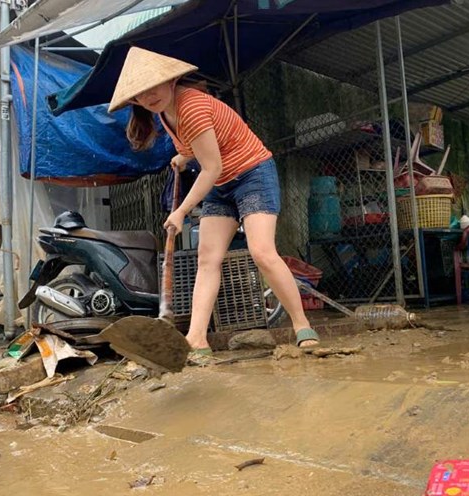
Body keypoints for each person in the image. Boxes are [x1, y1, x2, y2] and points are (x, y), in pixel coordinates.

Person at [109, 47, 320, 357]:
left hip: (252, 174)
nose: (149, 95)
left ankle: (302, 324)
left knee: (261, 252)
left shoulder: (190, 105)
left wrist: (180, 212)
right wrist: (183, 155)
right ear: (135, 100)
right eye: (140, 93)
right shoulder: (164, 112)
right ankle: (196, 338)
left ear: (172, 80)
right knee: (207, 259)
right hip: (221, 184)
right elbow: (208, 148)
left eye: (153, 85)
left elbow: (212, 167)